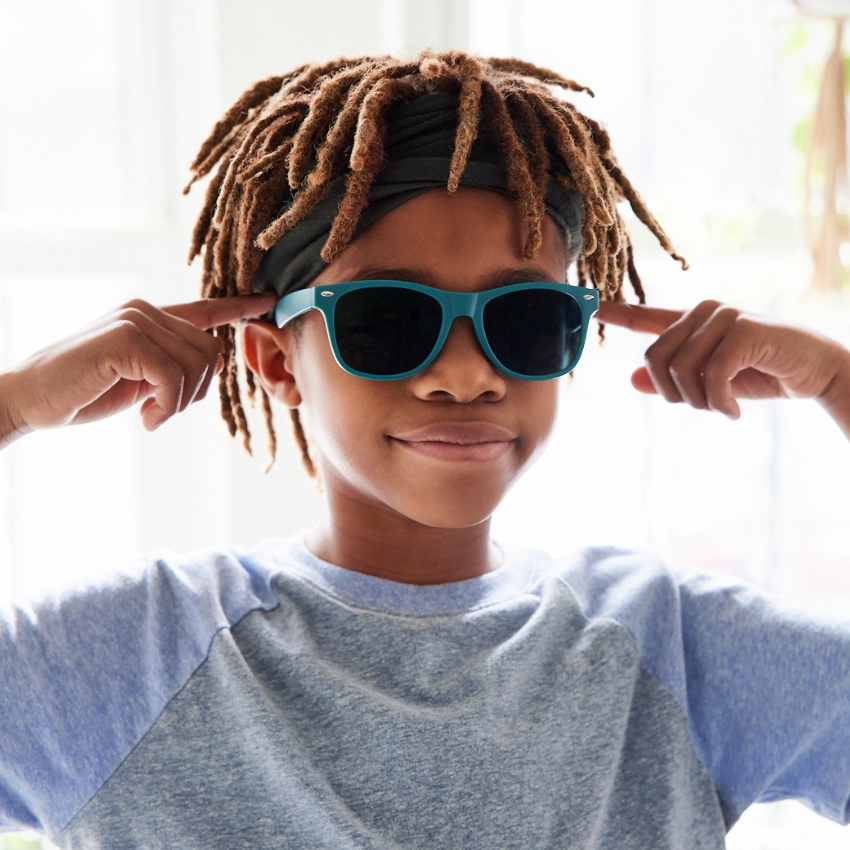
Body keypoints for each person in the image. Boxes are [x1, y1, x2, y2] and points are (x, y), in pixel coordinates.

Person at [0, 52, 849, 850]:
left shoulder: (676, 651)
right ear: (271, 359)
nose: (466, 374)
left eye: (524, 320)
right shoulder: (124, 663)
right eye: (387, 320)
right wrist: (11, 404)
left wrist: (838, 382)